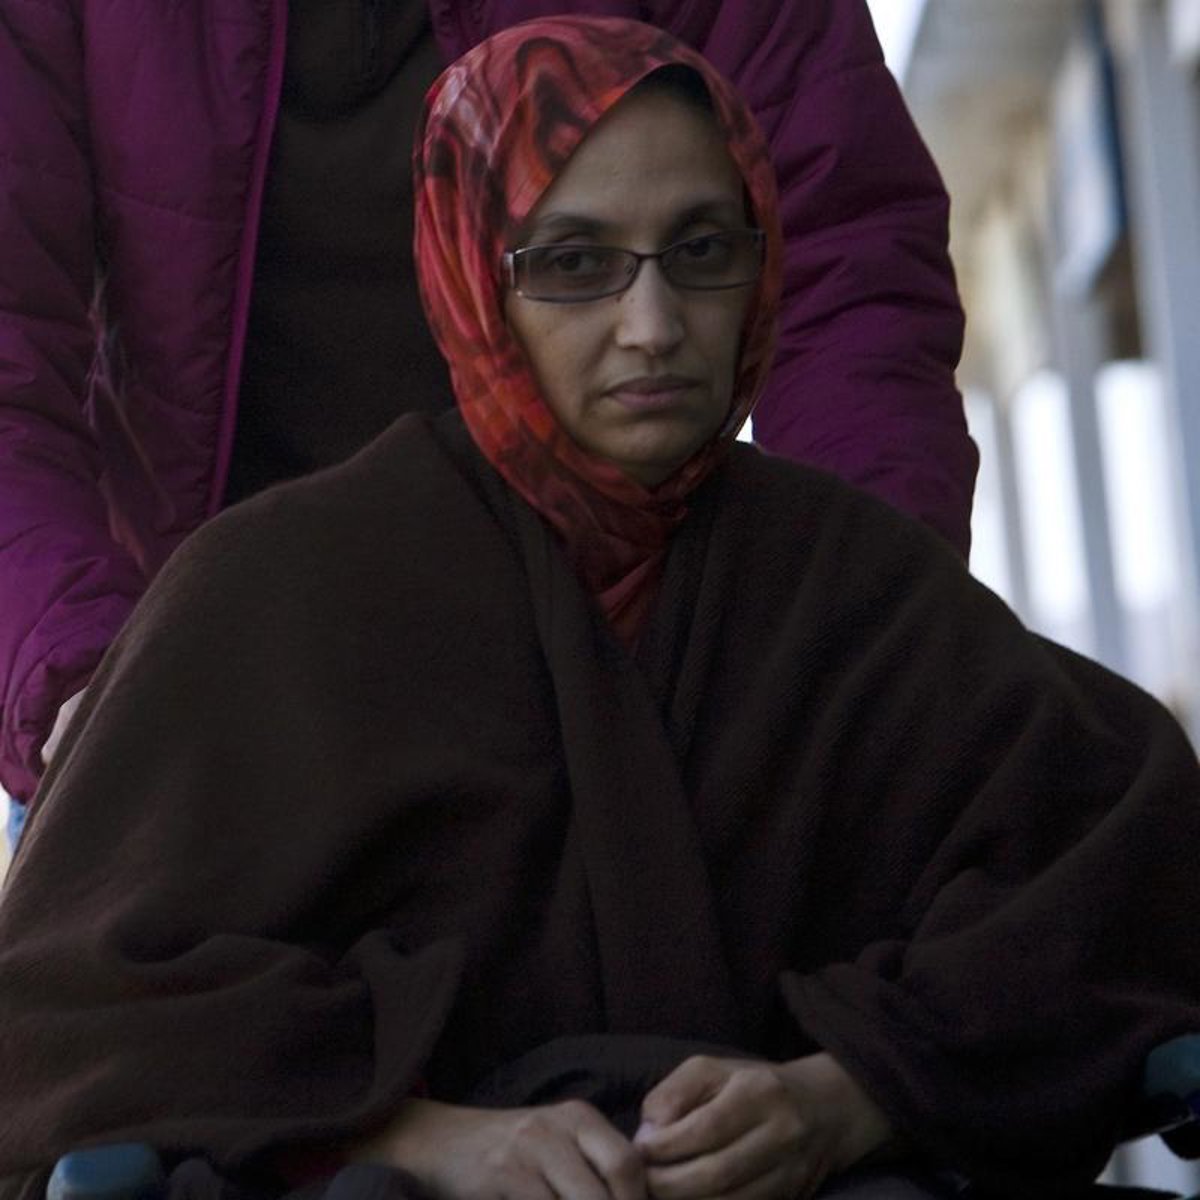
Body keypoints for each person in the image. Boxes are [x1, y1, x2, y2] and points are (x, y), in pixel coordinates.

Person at [2, 17, 1197, 1200]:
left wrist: (853, 1090)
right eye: (573, 264)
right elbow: (69, 1012)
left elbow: (1126, 869)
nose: (654, 326)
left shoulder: (835, 593)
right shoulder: (262, 606)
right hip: (247, 666)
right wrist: (410, 1137)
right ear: (474, 277)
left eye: (704, 251)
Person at [0, 0, 974, 833]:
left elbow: (849, 266)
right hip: (210, 698)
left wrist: (857, 622)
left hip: (643, 671)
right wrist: (79, 679)